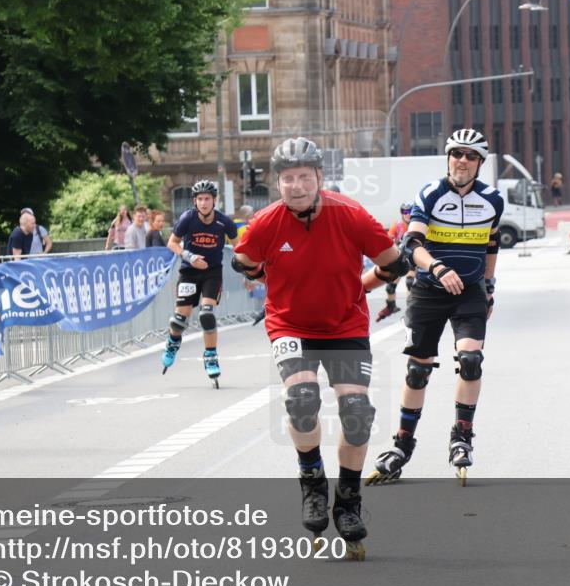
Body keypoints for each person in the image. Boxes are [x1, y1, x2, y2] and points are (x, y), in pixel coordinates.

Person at [231, 137, 409, 559]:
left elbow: (394, 263)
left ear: (319, 178)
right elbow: (246, 265)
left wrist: (359, 288)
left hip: (344, 325)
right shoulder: (264, 223)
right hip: (290, 324)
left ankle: (347, 500)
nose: (296, 186)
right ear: (277, 183)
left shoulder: (349, 214)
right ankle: (311, 479)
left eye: (304, 177)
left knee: (358, 416)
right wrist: (265, 276)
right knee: (302, 400)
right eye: (287, 179)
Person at [366, 127, 503, 487]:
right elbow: (411, 243)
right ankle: (402, 444)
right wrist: (438, 268)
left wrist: (489, 287)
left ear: (480, 163)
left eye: (470, 156)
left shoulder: (492, 200)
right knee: (417, 369)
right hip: (429, 289)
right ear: (448, 157)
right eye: (456, 153)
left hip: (470, 289)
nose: (462, 160)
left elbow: (491, 246)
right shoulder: (430, 194)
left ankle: (461, 436)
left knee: (471, 360)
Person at [162, 180, 239, 385]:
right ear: (194, 201)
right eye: (200, 199)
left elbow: (239, 247)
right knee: (179, 320)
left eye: (207, 199)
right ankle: (173, 342)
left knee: (207, 315)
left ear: (214, 200)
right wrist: (188, 256)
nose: (203, 203)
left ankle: (211, 356)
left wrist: (248, 266)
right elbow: (172, 242)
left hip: (212, 273)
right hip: (189, 272)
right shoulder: (188, 218)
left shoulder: (224, 222)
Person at [376, 202, 417, 322]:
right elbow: (388, 240)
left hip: (413, 259)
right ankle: (391, 306)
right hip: (400, 259)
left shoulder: (417, 224)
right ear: (401, 214)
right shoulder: (398, 226)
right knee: (390, 287)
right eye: (405, 212)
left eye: (410, 212)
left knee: (409, 282)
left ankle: (410, 311)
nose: (408, 215)